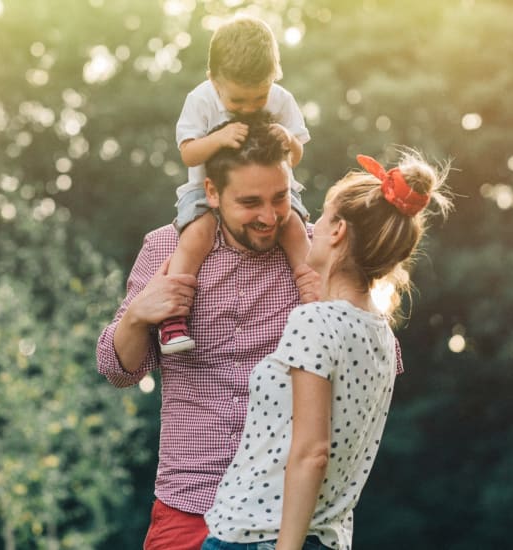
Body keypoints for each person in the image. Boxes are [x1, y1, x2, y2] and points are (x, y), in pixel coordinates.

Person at [201, 150, 453, 550]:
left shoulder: (315, 322)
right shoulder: (383, 336)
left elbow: (313, 452)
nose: (311, 225)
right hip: (327, 539)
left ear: (337, 232)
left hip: (259, 539)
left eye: (321, 216)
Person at [96, 115, 321, 550]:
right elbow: (117, 370)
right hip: (190, 501)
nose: (270, 216)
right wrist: (138, 314)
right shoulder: (166, 247)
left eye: (280, 198)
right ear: (212, 193)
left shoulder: (314, 253)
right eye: (250, 202)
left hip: (284, 510)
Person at [158, 14, 313, 355]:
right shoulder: (201, 100)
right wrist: (220, 138)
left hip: (272, 188)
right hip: (204, 191)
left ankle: (315, 301)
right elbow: (188, 153)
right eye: (237, 102)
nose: (247, 109)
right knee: (195, 237)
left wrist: (287, 138)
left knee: (295, 230)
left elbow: (297, 156)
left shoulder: (282, 99)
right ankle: (172, 319)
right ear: (213, 79)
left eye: (257, 100)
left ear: (274, 76)